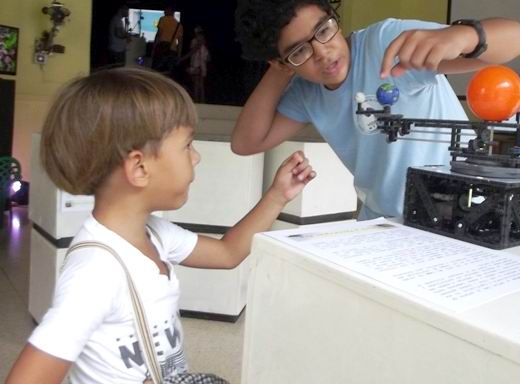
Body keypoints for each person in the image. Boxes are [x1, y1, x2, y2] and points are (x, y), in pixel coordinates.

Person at [6, 67, 315, 383]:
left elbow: (227, 252)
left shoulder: (155, 234)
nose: (196, 158)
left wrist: (278, 195)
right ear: (139, 167)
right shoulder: (96, 271)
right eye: (187, 146)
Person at [232, 0, 520, 220]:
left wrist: (463, 35)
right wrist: (281, 67)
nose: (322, 53)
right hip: (383, 220)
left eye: (323, 30)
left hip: (460, 210)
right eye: (300, 51)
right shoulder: (306, 91)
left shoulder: (386, 41)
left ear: (333, 15)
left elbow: (519, 38)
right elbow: (246, 143)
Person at [180, 25, 210, 103]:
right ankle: (201, 102)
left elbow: (192, 52)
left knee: (197, 84)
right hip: (201, 65)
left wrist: (182, 58)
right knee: (200, 84)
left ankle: (197, 101)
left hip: (197, 64)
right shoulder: (204, 44)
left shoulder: (196, 41)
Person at [152, 6, 183, 74]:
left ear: (170, 11)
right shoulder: (179, 25)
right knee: (168, 72)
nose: (164, 11)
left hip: (161, 49)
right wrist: (179, 56)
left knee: (157, 71)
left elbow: (158, 35)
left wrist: (153, 48)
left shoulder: (163, 19)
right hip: (172, 51)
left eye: (165, 10)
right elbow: (180, 42)